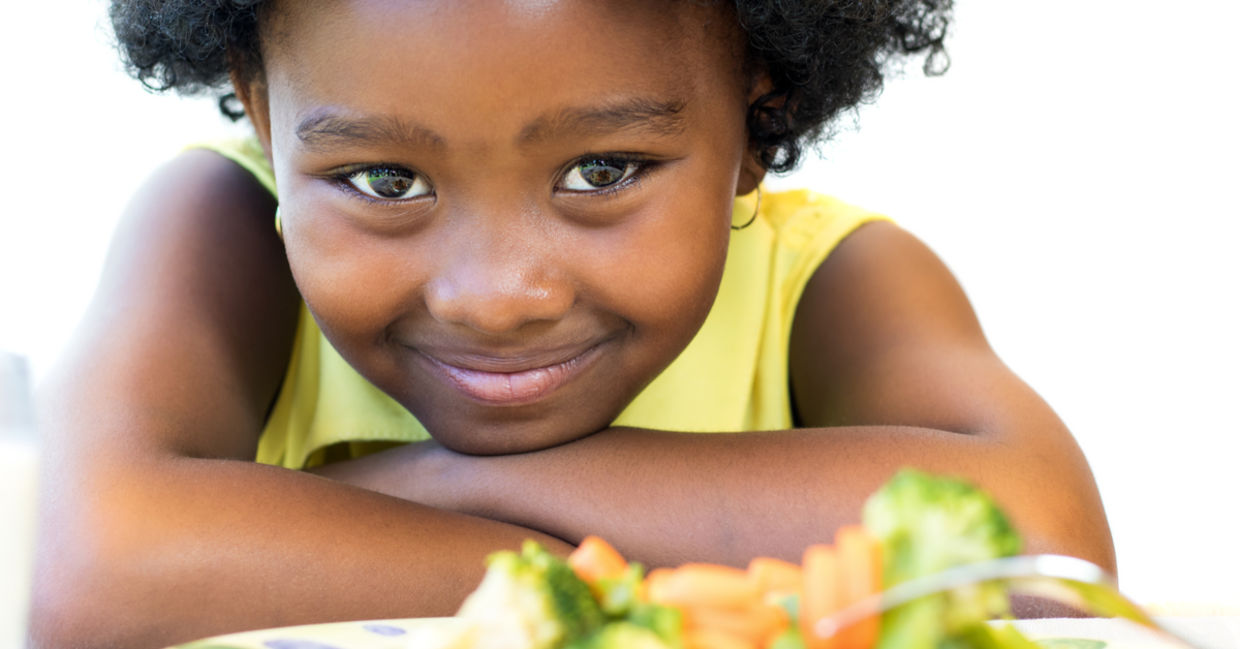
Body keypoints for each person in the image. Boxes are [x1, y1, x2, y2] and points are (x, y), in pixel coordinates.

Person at [32, 1, 1115, 647]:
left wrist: (419, 486)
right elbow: (99, 578)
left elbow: (1044, 550)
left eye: (603, 172)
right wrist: (714, 592)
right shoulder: (222, 225)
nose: (495, 296)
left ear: (758, 111)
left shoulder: (828, 276)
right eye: (383, 179)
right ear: (266, 118)